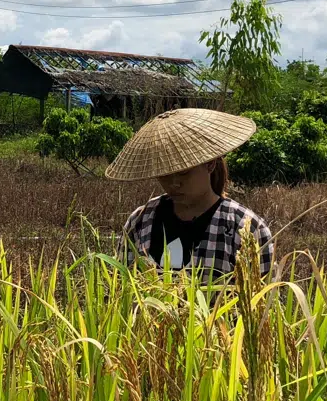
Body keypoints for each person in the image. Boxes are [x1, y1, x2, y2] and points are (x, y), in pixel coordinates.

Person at [106, 107, 274, 279]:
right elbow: (120, 286)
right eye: (165, 174)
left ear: (210, 164)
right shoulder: (141, 221)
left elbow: (263, 300)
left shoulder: (244, 228)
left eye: (184, 172)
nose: (174, 183)